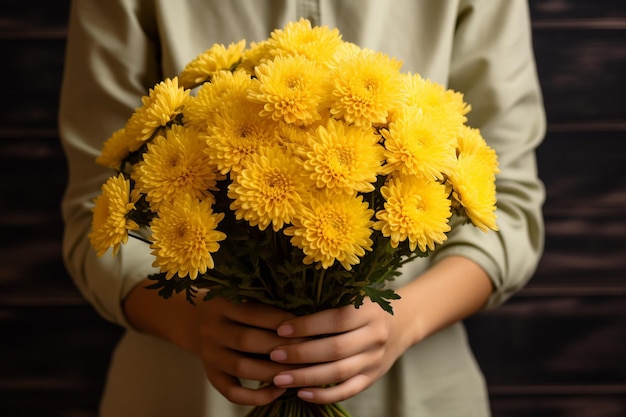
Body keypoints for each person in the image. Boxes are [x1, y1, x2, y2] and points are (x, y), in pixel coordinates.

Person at [58, 1, 545, 416]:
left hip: (417, 392)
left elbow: (509, 204)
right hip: (184, 392)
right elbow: (95, 208)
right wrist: (192, 322)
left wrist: (407, 320)